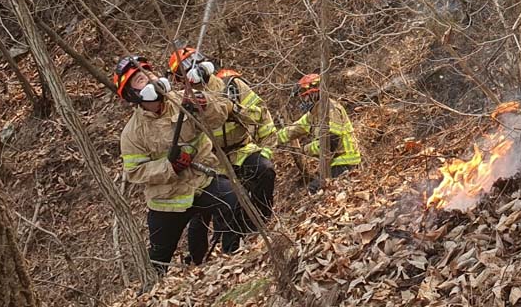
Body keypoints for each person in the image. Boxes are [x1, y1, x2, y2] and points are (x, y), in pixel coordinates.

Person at [114, 55, 244, 272]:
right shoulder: (132, 134)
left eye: (148, 73)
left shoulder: (183, 99)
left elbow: (221, 114)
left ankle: (233, 262)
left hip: (200, 182)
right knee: (158, 257)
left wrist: (205, 105)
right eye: (139, 79)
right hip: (166, 201)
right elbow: (135, 172)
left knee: (234, 199)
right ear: (132, 94)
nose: (148, 79)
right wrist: (170, 167)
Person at [168, 47, 277, 228]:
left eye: (196, 60)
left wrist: (266, 148)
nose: (195, 68)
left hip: (242, 150)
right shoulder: (181, 102)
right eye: (185, 67)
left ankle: (262, 222)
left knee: (265, 170)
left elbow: (261, 116)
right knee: (220, 209)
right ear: (179, 79)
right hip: (212, 161)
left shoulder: (232, 86)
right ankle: (229, 247)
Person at [275, 73, 362, 192]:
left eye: (304, 97)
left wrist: (306, 150)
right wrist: (272, 139)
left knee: (314, 189)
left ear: (314, 94)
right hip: (333, 163)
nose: (303, 101)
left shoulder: (329, 109)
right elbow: (295, 129)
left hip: (345, 162)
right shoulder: (314, 113)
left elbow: (331, 142)